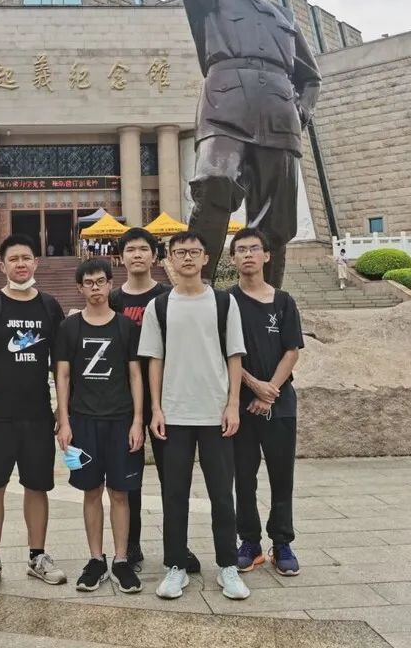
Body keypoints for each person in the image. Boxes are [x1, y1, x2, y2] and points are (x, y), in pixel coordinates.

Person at [176, 0, 321, 286]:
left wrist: (301, 109)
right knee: (214, 181)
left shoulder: (284, 17)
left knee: (275, 216)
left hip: (279, 118)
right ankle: (195, 290)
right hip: (226, 109)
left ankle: (265, 299)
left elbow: (310, 77)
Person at [138, 231, 250, 601]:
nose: (187, 257)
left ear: (205, 258)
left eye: (194, 252)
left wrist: (233, 404)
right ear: (169, 259)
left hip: (215, 413)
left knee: (222, 495)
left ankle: (228, 566)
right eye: (180, 252)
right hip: (174, 414)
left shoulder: (223, 302)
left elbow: (234, 356)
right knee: (174, 495)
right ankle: (176, 566)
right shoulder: (159, 306)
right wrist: (156, 408)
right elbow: (154, 360)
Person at [0, 234, 67, 594]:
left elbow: (60, 364)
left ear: (36, 262)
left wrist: (63, 409)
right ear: (3, 265)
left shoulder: (49, 306)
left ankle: (37, 556)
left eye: (26, 257)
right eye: (14, 259)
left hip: (37, 414)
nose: (21, 264)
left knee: (37, 486)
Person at [108, 227, 201, 574]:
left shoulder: (168, 296)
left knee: (173, 478)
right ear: (121, 257)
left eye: (143, 249)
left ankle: (177, 546)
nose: (137, 255)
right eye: (130, 249)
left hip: (167, 398)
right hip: (124, 401)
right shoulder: (114, 300)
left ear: (155, 256)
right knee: (128, 477)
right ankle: (131, 544)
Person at [54, 258, 144, 594]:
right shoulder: (69, 327)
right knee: (90, 491)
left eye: (101, 281)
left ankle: (121, 559)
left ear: (110, 284)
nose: (95, 288)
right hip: (82, 423)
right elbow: (62, 376)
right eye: (89, 282)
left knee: (120, 493)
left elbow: (135, 375)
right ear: (80, 287)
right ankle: (96, 559)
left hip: (121, 420)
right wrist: (64, 422)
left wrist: (138, 420)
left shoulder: (125, 326)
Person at [228, 228, 303, 577]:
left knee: (281, 475)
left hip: (280, 402)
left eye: (254, 248)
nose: (248, 255)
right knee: (243, 477)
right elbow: (224, 352)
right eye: (241, 249)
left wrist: (270, 389)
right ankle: (250, 542)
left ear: (266, 256)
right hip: (240, 405)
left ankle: (282, 542)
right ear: (233, 258)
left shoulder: (283, 302)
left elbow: (292, 350)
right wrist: (254, 386)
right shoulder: (226, 302)